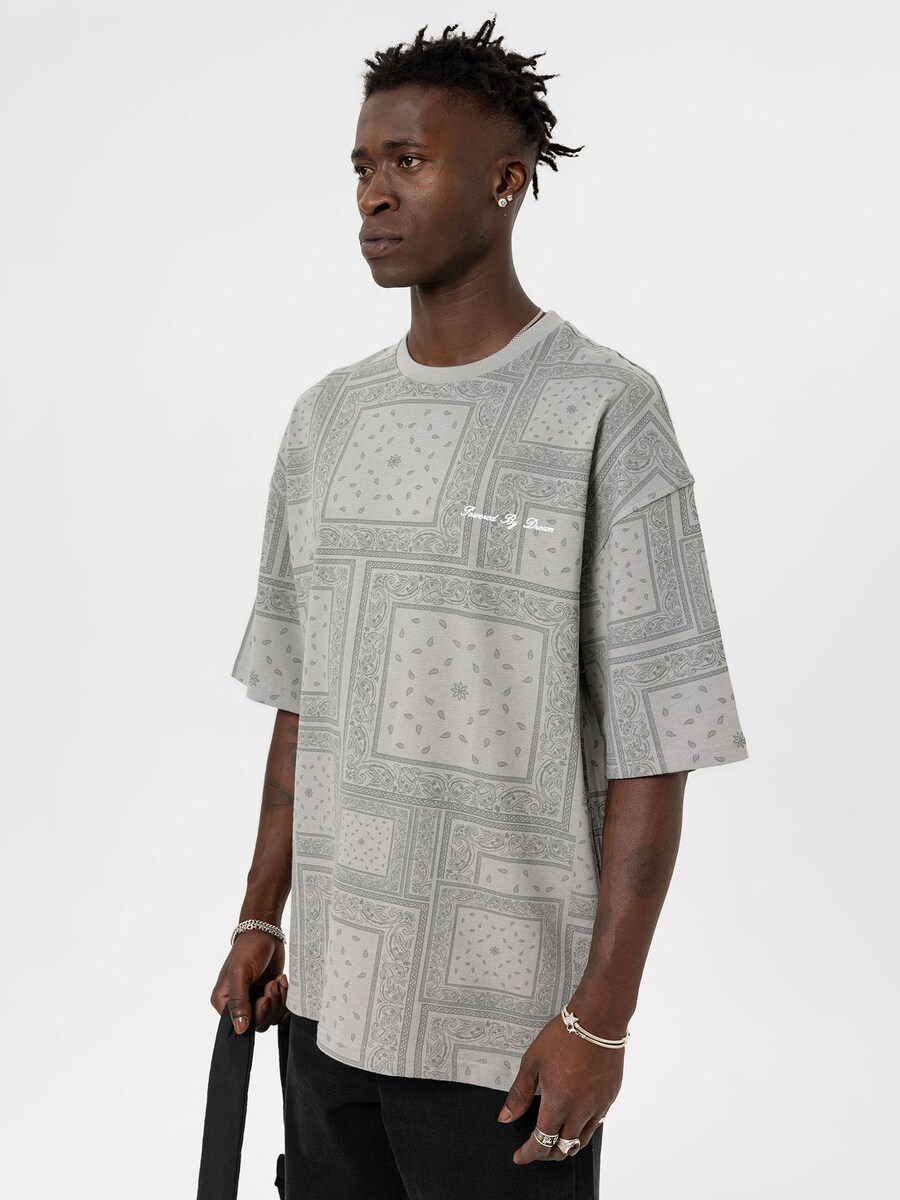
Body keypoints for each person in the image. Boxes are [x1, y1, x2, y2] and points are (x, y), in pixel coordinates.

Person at [210, 16, 749, 1199]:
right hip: (327, 1008)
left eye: (408, 161)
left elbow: (659, 736)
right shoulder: (325, 420)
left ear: (506, 182)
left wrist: (602, 1019)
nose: (374, 194)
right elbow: (302, 694)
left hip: (508, 1038)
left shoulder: (605, 409)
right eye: (363, 165)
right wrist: (260, 918)